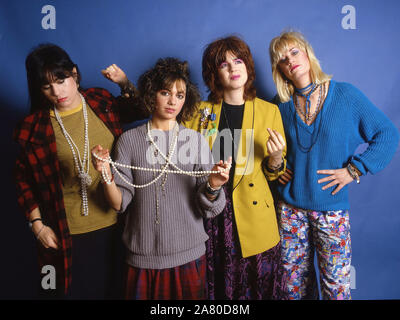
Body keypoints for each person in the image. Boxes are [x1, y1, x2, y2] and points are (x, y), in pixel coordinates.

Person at [269, 31, 399, 300]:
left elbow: (388, 134)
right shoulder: (278, 106)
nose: (290, 60)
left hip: (331, 211)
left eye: (294, 52)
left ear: (307, 53)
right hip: (289, 211)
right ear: (279, 70)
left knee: (336, 290)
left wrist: (355, 169)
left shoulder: (346, 96)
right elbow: (266, 155)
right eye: (282, 59)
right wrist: (277, 167)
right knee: (292, 292)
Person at [92, 57, 231, 300]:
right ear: (151, 94)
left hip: (188, 256)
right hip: (142, 259)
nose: (172, 101)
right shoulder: (129, 140)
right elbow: (118, 203)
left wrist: (213, 185)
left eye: (180, 95)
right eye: (165, 92)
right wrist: (105, 172)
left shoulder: (196, 141)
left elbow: (212, 207)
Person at [13, 43, 144, 299]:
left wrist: (124, 82)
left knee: (118, 291)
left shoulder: (100, 100)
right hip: (69, 232)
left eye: (61, 80)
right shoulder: (35, 127)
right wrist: (37, 225)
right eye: (46, 86)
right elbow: (22, 179)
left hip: (117, 223)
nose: (57, 91)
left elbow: (141, 111)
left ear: (74, 74)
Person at [184, 36, 288, 300]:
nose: (233, 68)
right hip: (210, 210)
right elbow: (181, 156)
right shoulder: (201, 112)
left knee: (257, 289)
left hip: (253, 215)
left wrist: (276, 158)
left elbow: (275, 172)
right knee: (217, 289)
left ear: (248, 66)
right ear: (214, 74)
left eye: (238, 61)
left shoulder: (269, 111)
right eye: (224, 64)